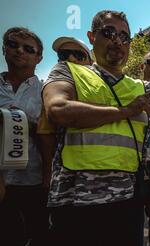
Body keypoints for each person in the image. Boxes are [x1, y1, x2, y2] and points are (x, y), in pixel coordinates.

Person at [42, 10, 150, 246]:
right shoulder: (69, 72)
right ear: (92, 38)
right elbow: (58, 109)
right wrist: (124, 112)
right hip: (76, 205)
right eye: (109, 33)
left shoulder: (142, 89)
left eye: (124, 36)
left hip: (127, 206)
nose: (117, 41)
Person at [0, 27, 50, 246]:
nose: (20, 51)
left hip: (33, 181)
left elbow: (51, 136)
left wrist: (47, 176)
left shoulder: (45, 92)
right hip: (1, 182)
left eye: (28, 48)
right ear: (4, 48)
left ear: (38, 58)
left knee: (40, 245)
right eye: (13, 44)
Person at [38, 37, 94, 191]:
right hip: (68, 181)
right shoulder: (54, 88)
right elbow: (46, 135)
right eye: (64, 54)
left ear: (90, 62)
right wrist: (48, 174)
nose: (71, 58)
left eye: (79, 55)